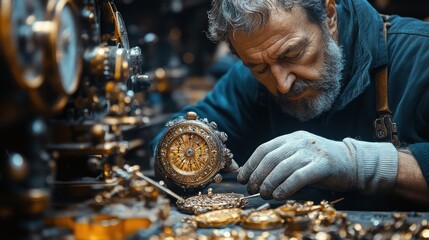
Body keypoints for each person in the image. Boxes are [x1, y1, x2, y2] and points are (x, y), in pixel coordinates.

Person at [153, 0, 429, 208]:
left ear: (329, 15)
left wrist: (360, 164)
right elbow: (167, 140)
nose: (282, 84)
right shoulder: (252, 75)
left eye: (292, 54)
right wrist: (190, 151)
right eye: (259, 68)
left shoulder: (419, 55)